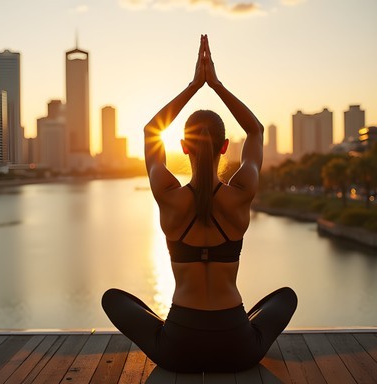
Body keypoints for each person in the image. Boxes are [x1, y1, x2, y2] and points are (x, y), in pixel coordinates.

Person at [101, 34, 297, 373]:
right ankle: (245, 328)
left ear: (183, 146)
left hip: (179, 348)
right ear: (224, 147)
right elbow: (255, 131)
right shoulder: (242, 193)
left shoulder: (169, 196)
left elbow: (150, 131)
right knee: (286, 298)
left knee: (113, 299)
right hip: (237, 346)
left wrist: (194, 85)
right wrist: (215, 85)